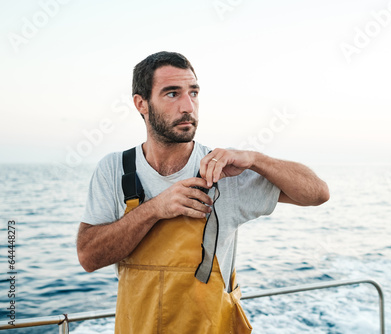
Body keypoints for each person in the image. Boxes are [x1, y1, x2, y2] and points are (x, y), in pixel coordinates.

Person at [76, 51, 329, 333]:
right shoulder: (114, 170)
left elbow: (318, 193)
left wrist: (256, 159)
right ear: (141, 104)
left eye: (193, 93)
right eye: (172, 94)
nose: (188, 106)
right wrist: (156, 209)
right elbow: (89, 257)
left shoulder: (222, 169)